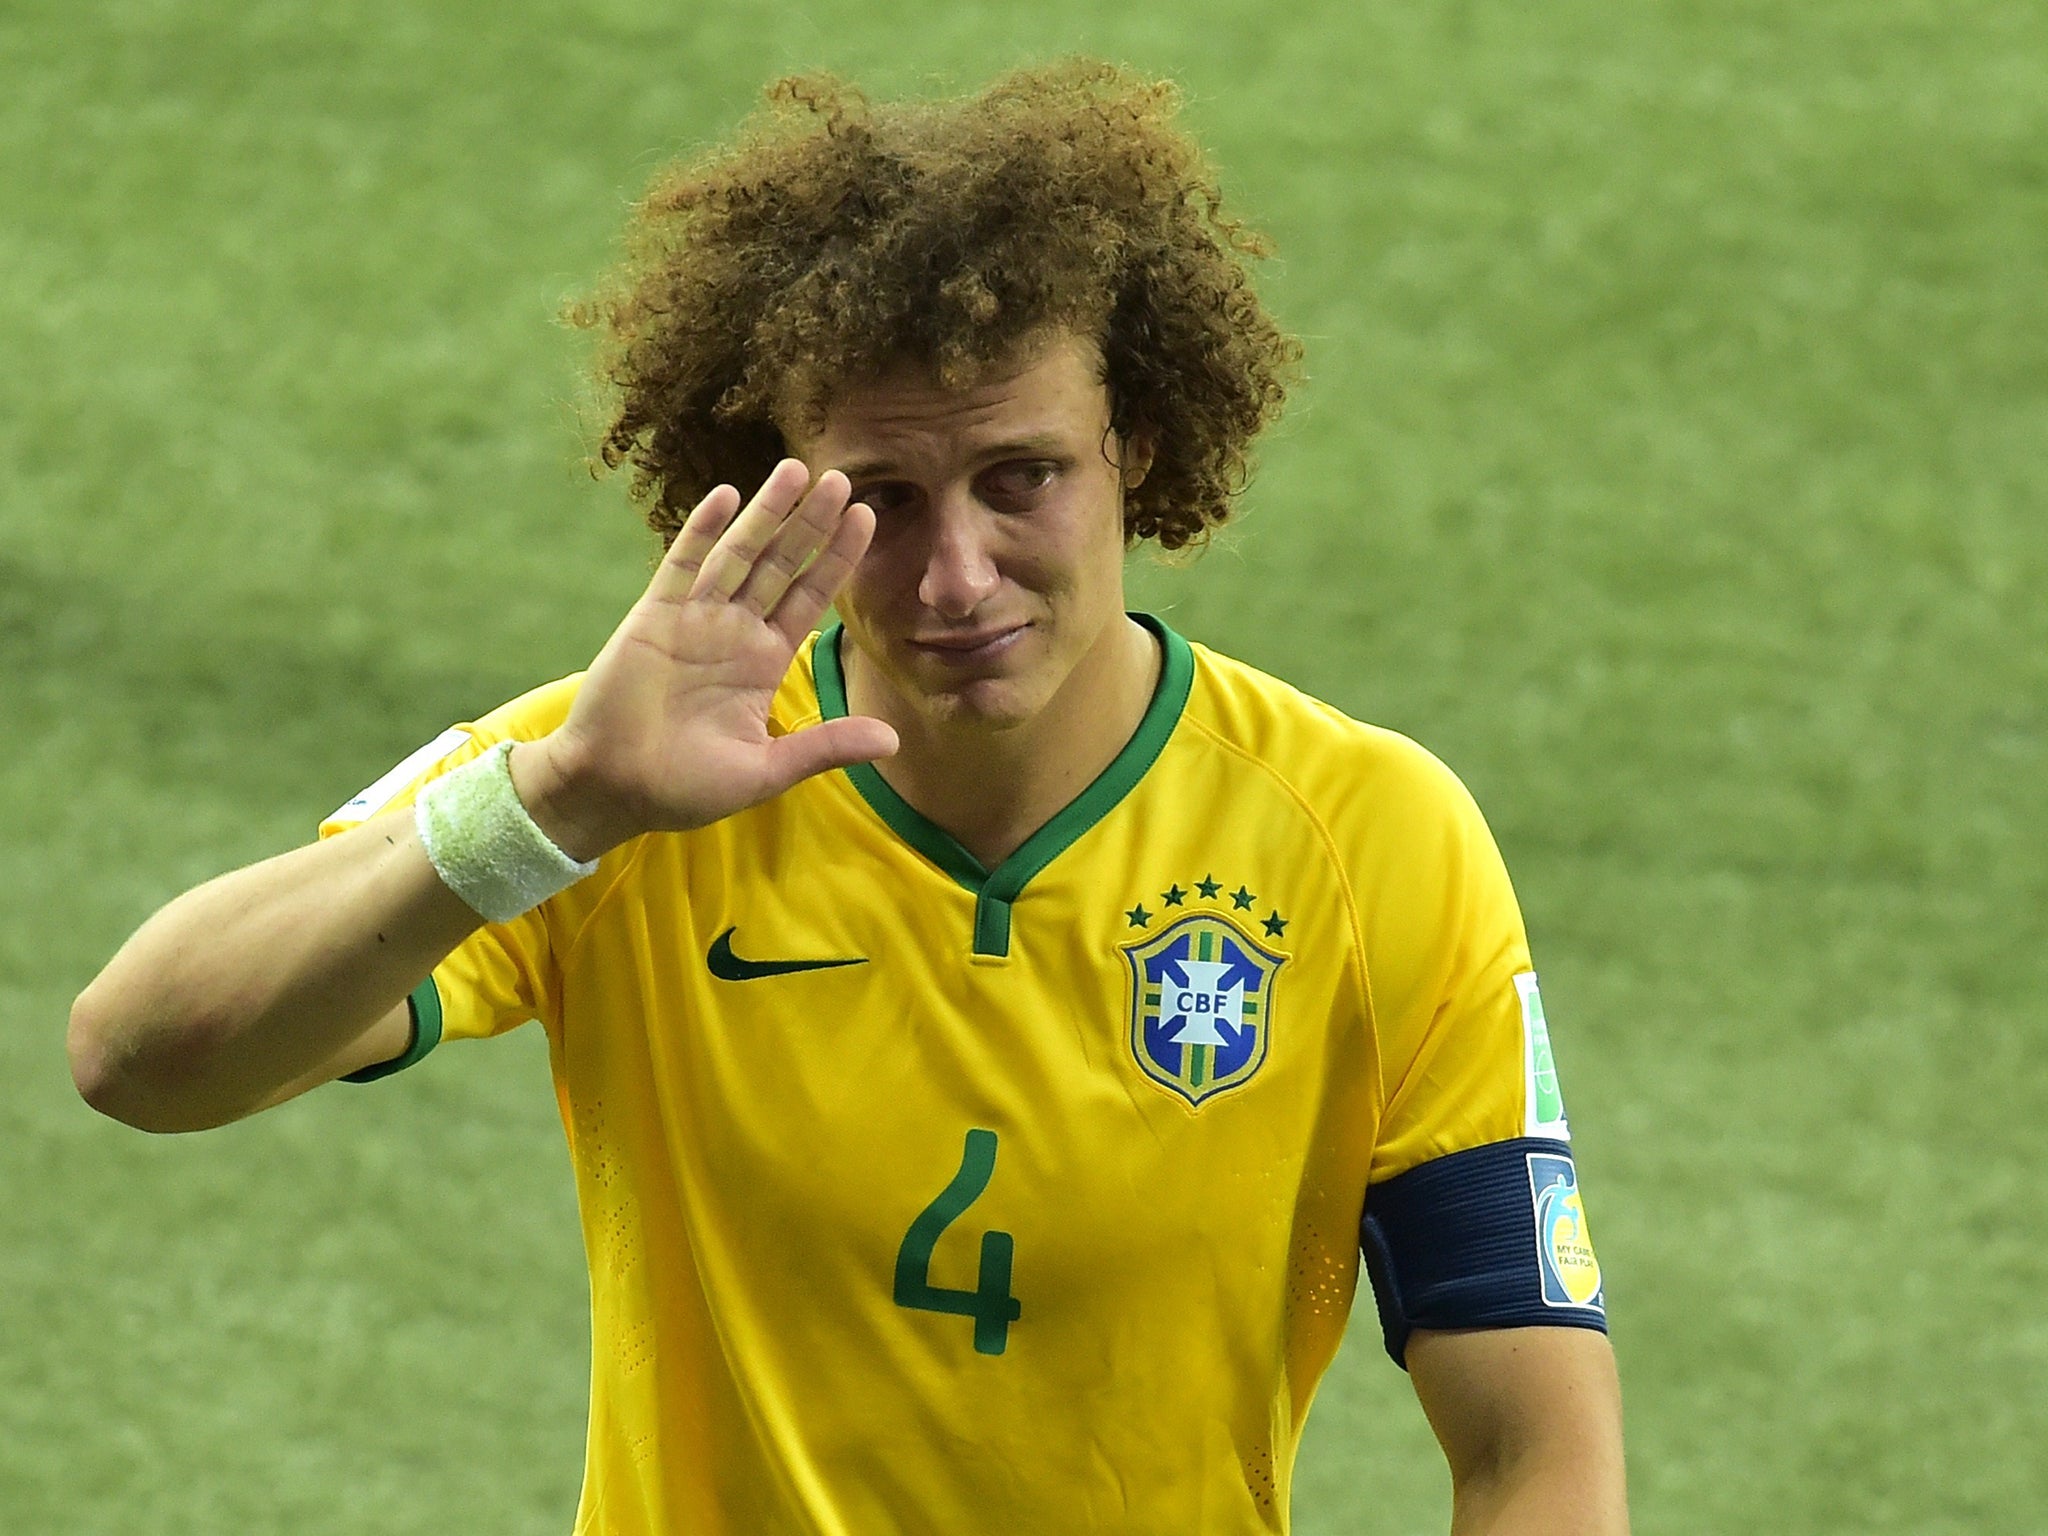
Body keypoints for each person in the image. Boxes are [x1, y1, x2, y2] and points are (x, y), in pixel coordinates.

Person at [69, 62, 1627, 1535]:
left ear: (1137, 448)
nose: (955, 576)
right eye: (879, 500)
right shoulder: (618, 777)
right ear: (768, 485)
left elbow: (1534, 1445)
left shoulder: (1372, 840)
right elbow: (141, 1055)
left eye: (1022, 477)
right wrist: (553, 801)